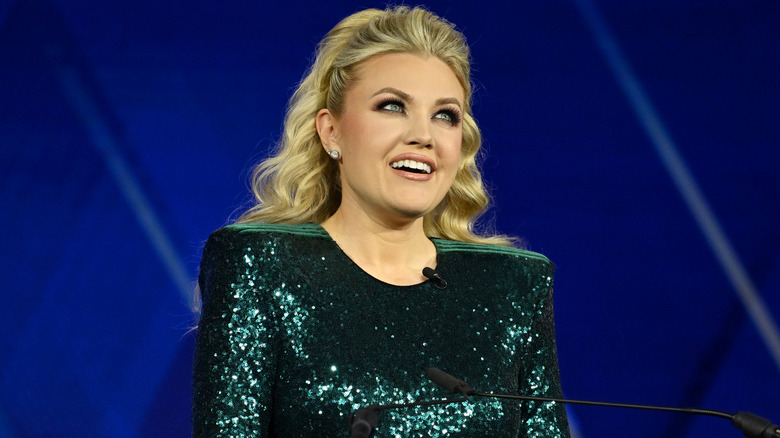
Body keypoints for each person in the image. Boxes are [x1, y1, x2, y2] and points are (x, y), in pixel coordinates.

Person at [192, 5, 570, 437]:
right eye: (392, 106)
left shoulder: (514, 287)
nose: (423, 136)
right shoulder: (261, 264)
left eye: (445, 115)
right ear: (331, 131)